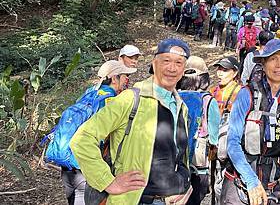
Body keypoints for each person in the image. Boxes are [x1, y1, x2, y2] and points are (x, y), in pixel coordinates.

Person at [71, 38, 193, 205]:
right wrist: (108, 182)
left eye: (179, 63)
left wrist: (185, 184)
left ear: (184, 69)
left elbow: (179, 155)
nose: (172, 68)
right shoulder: (131, 99)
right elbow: (82, 140)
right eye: (166, 61)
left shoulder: (181, 107)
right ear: (154, 63)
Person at [222, 39, 280, 205]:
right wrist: (251, 181)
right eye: (273, 59)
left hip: (271, 182)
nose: (279, 65)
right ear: (263, 63)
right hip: (239, 181)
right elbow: (233, 142)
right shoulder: (247, 94)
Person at [46, 60, 136, 205]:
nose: (127, 80)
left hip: (68, 164)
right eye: (125, 75)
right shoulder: (111, 101)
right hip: (85, 165)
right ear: (114, 78)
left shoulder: (89, 93)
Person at [178, 56, 221, 205]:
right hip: (198, 167)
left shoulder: (173, 96)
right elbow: (214, 139)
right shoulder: (208, 101)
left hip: (173, 164)